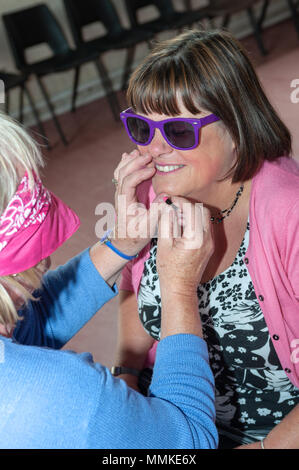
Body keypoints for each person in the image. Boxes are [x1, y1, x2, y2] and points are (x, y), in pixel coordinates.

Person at [115, 29, 299, 449]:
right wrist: (124, 375)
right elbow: (133, 286)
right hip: (173, 417)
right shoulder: (152, 192)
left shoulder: (290, 214)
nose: (154, 149)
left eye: (179, 131)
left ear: (238, 125)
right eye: (142, 128)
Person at [0, 110, 218, 449]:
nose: (47, 258)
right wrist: (177, 287)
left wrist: (119, 246)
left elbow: (27, 328)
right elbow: (187, 445)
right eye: (34, 248)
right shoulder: (60, 397)